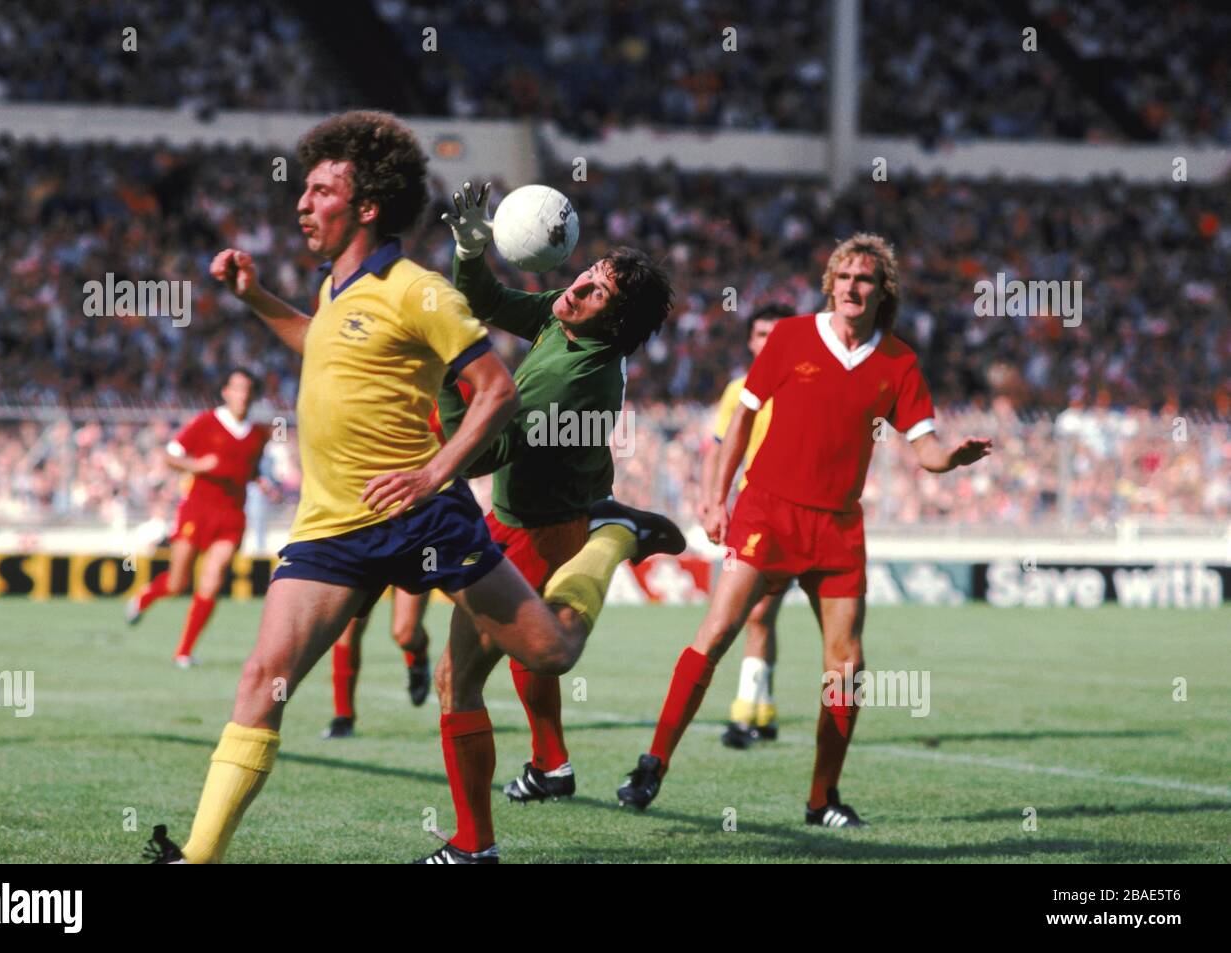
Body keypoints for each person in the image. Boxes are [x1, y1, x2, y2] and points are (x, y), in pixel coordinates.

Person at [141, 112, 681, 866]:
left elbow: (491, 392)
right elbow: (319, 335)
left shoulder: (422, 295)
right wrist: (258, 296)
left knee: (548, 652)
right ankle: (200, 856)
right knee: (265, 679)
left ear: (365, 206)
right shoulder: (341, 287)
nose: (301, 203)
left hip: (427, 518)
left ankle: (616, 534)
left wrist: (434, 469)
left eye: (322, 189)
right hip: (332, 521)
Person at [616, 234, 992, 828]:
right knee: (715, 634)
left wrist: (953, 458)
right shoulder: (791, 337)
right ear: (830, 285)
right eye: (842, 276)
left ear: (881, 291)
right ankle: (653, 763)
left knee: (846, 668)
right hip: (768, 512)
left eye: (864, 278)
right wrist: (716, 499)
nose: (851, 286)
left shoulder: (898, 362)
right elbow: (741, 420)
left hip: (838, 529)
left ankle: (822, 800)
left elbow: (925, 450)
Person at [435, 183, 675, 807]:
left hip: (544, 526)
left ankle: (473, 840)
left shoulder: (579, 381)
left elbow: (480, 455)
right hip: (526, 513)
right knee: (519, 657)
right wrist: (468, 250)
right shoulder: (569, 322)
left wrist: (447, 377)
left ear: (615, 319)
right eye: (587, 274)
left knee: (468, 674)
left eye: (598, 290)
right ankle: (551, 767)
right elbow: (486, 299)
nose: (577, 289)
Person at [125, 369, 272, 666]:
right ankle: (145, 597)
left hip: (231, 516)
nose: (242, 395)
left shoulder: (259, 434)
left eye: (248, 390)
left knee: (213, 580)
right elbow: (169, 455)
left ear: (253, 395)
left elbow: (249, 467)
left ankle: (184, 651)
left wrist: (261, 481)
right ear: (226, 392)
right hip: (197, 511)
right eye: (237, 388)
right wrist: (197, 465)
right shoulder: (206, 423)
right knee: (178, 583)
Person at [701, 303, 793, 749]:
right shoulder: (738, 390)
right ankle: (763, 710)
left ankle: (744, 715)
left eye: (776, 333)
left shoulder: (804, 388)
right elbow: (718, 449)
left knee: (756, 614)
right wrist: (711, 500)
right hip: (750, 514)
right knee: (757, 618)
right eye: (760, 333)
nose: (766, 341)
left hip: (796, 513)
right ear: (750, 340)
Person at [322, 590, 432, 739]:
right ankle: (343, 716)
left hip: (409, 566)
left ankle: (418, 658)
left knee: (406, 635)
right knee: (350, 624)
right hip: (365, 566)